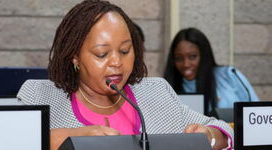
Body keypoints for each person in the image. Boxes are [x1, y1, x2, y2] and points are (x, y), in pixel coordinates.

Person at [17, 1, 233, 150]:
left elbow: (223, 129)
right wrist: (67, 140)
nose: (116, 63)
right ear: (74, 56)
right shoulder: (40, 95)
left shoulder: (155, 92)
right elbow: (8, 142)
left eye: (124, 51)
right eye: (102, 54)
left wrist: (210, 137)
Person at [164, 27, 259, 115]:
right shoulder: (168, 89)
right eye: (178, 58)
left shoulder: (229, 75)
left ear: (204, 55)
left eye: (192, 56)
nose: (186, 64)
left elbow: (256, 110)